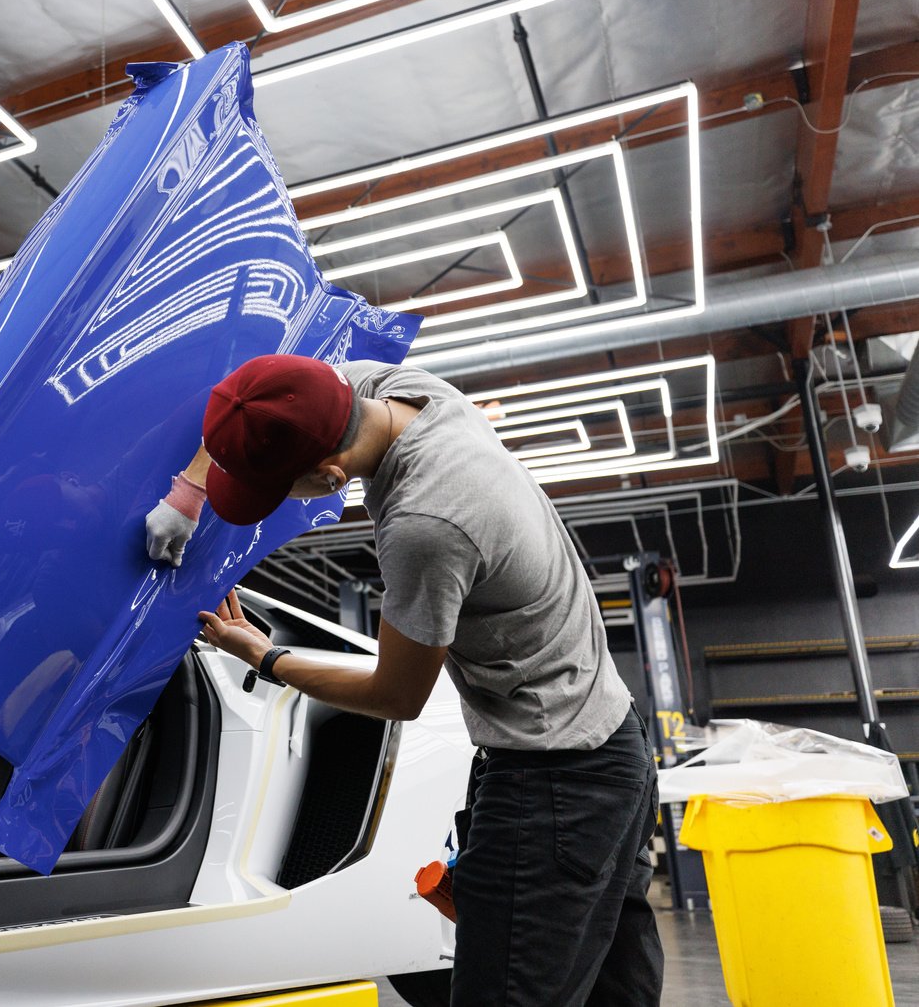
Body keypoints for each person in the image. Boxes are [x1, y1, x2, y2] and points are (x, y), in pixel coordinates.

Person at [145, 353, 663, 1007]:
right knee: (614, 986)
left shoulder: (425, 527)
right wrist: (187, 494)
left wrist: (264, 657)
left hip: (554, 778)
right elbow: (254, 393)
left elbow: (396, 696)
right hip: (609, 739)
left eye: (283, 491)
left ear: (328, 476)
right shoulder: (398, 390)